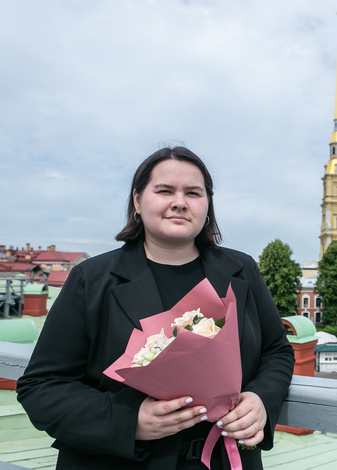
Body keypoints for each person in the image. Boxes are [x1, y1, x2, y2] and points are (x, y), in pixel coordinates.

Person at [17, 147, 295, 470]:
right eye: (164, 191)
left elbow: (277, 351)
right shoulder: (91, 281)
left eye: (193, 192)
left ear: (208, 204)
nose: (179, 202)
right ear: (137, 200)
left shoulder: (242, 271)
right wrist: (129, 421)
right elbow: (41, 387)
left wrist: (261, 400)